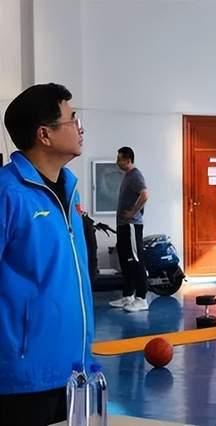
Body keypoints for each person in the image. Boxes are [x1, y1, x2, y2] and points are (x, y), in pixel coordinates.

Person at [0, 83, 94, 425]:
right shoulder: (8, 194)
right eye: (72, 119)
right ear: (45, 134)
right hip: (23, 379)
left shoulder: (69, 190)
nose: (80, 129)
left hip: (75, 371)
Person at [109, 146, 150, 312]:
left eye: (119, 159)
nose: (117, 162)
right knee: (126, 261)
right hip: (123, 225)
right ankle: (128, 296)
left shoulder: (135, 175)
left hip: (132, 225)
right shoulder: (127, 176)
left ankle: (141, 298)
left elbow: (145, 194)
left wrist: (133, 212)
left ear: (128, 160)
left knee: (136, 260)